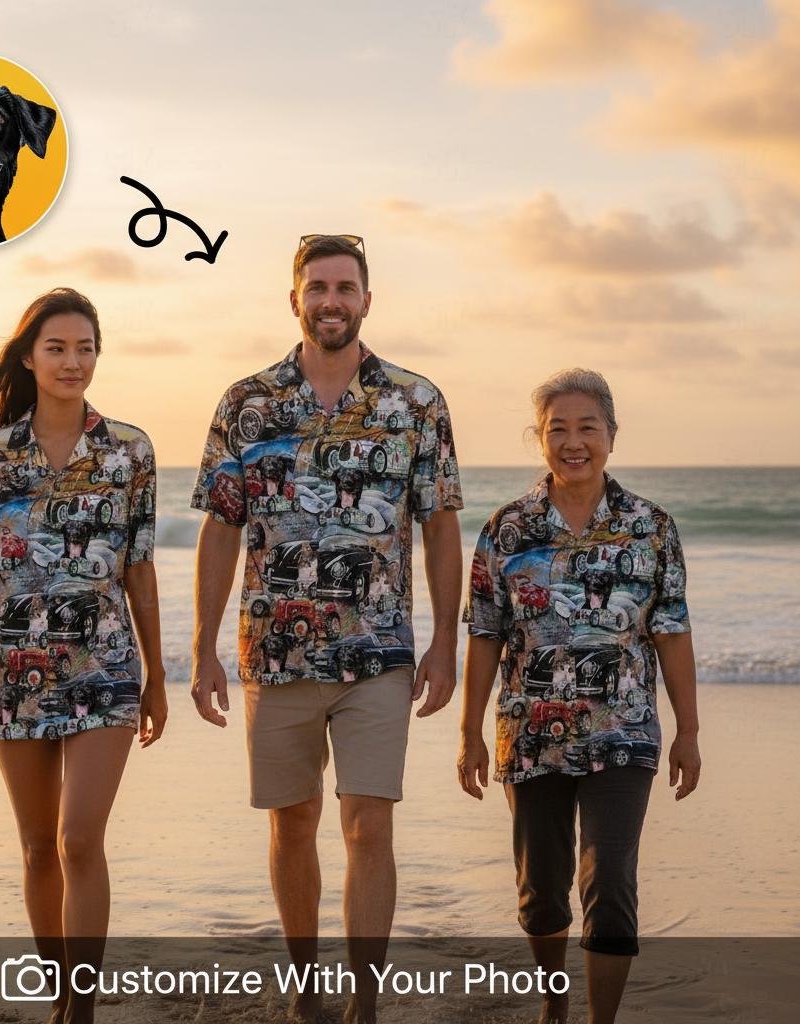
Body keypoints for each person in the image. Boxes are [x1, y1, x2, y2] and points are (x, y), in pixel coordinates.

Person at [190, 234, 463, 1023]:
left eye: (345, 287)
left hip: (378, 650)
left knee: (368, 820)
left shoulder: (414, 403)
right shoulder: (246, 403)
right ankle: (307, 989)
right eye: (318, 287)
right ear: (296, 300)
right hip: (273, 651)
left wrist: (445, 641)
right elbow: (220, 529)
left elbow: (441, 528)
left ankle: (365, 1003)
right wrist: (204, 644)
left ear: (367, 300)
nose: (331, 300)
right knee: (292, 824)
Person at [0, 287, 167, 1024]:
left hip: (104, 669)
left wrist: (157, 676)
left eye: (86, 347)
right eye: (58, 348)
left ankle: (83, 1010)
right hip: (13, 670)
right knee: (37, 847)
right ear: (30, 357)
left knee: (78, 837)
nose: (74, 361)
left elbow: (139, 570)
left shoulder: (129, 451)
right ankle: (61, 996)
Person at [458, 367, 701, 1024]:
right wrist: (468, 732)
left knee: (611, 882)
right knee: (540, 894)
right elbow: (484, 635)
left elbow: (672, 631)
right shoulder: (506, 530)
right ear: (539, 438)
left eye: (586, 428)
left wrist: (689, 731)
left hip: (623, 732)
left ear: (611, 436)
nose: (573, 442)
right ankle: (555, 997)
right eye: (557, 428)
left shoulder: (651, 528)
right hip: (529, 733)